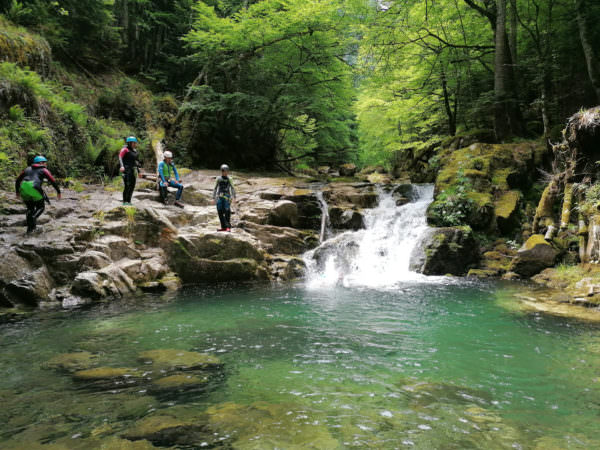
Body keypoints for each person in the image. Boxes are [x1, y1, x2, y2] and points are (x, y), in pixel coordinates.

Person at [15, 156, 61, 234]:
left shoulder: (27, 169)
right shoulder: (44, 170)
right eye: (44, 162)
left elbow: (18, 180)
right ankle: (33, 219)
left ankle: (30, 230)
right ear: (40, 163)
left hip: (23, 187)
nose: (46, 164)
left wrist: (17, 192)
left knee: (30, 209)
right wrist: (58, 192)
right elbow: (52, 181)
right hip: (34, 187)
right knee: (41, 207)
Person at [119, 136, 142, 205]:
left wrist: (139, 172)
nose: (135, 144)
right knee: (127, 185)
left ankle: (129, 201)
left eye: (135, 143)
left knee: (132, 185)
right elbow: (120, 157)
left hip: (132, 170)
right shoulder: (125, 149)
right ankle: (125, 201)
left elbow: (136, 162)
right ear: (129, 143)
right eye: (133, 143)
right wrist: (122, 166)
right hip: (126, 170)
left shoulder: (135, 151)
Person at [213, 164, 236, 232]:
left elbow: (232, 188)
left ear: (227, 171)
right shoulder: (218, 178)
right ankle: (223, 227)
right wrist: (213, 198)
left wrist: (234, 197)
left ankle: (228, 227)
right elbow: (215, 188)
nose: (225, 172)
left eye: (226, 171)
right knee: (219, 211)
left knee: (227, 211)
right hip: (219, 197)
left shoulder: (230, 179)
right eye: (223, 171)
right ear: (221, 171)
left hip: (227, 197)